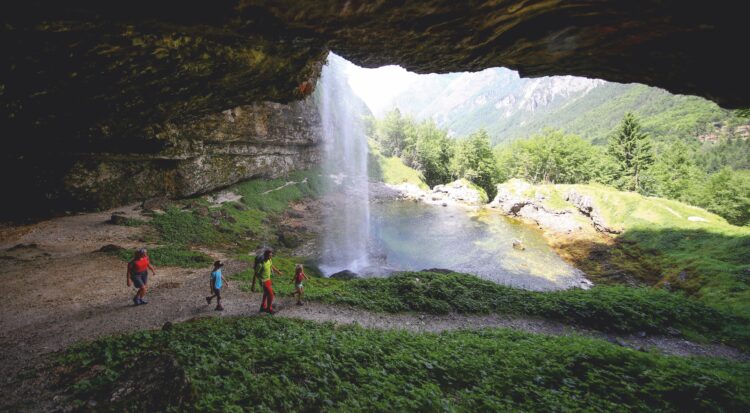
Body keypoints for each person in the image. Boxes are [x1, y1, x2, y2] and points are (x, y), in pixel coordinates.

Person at [257, 249, 282, 314]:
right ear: (265, 255)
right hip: (263, 281)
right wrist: (260, 281)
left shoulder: (269, 260)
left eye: (271, 255)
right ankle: (268, 309)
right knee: (271, 294)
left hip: (268, 279)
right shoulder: (261, 264)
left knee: (266, 293)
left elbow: (271, 266)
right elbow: (256, 273)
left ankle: (263, 306)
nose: (270, 257)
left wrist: (278, 272)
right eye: (269, 255)